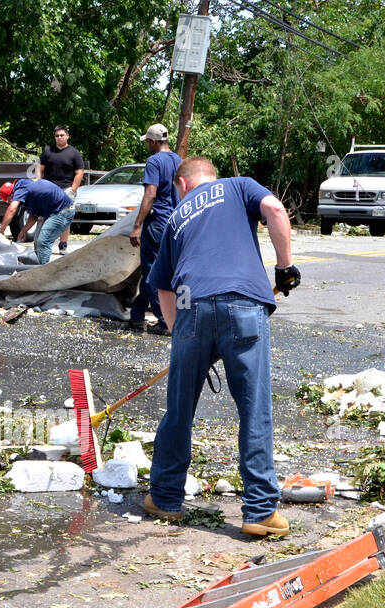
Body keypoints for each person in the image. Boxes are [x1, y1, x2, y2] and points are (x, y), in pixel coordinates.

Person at [142, 156, 302, 538]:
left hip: (190, 305)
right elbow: (276, 210)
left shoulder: (176, 218)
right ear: (212, 177)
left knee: (179, 409)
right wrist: (285, 267)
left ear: (181, 185)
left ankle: (164, 498)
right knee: (253, 408)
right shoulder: (239, 185)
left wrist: (182, 335)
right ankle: (260, 511)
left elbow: (162, 287)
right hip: (244, 304)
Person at [128, 123, 182, 333]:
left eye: (147, 143)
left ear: (152, 142)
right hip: (173, 223)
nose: (147, 147)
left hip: (157, 222)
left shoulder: (153, 161)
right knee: (158, 270)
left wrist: (136, 226)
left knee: (152, 273)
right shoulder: (178, 160)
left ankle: (164, 321)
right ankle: (137, 316)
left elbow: (150, 193)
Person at [0, 178, 76, 265]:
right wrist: (24, 230)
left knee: (43, 242)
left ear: (12, 194)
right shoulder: (27, 188)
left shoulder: (20, 188)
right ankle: (36, 266)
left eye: (9, 200)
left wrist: (1, 231)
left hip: (63, 211)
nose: (10, 202)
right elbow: (34, 215)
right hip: (55, 211)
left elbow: (12, 209)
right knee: (37, 241)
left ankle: (42, 271)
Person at [36, 125, 84, 253]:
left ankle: (63, 244)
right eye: (57, 136)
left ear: (67, 136)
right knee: (44, 217)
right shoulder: (48, 151)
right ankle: (42, 244)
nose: (59, 138)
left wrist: (72, 189)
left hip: (66, 190)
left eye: (62, 135)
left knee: (64, 218)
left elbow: (79, 173)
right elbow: (39, 169)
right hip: (48, 191)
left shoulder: (74, 153)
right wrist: (40, 185)